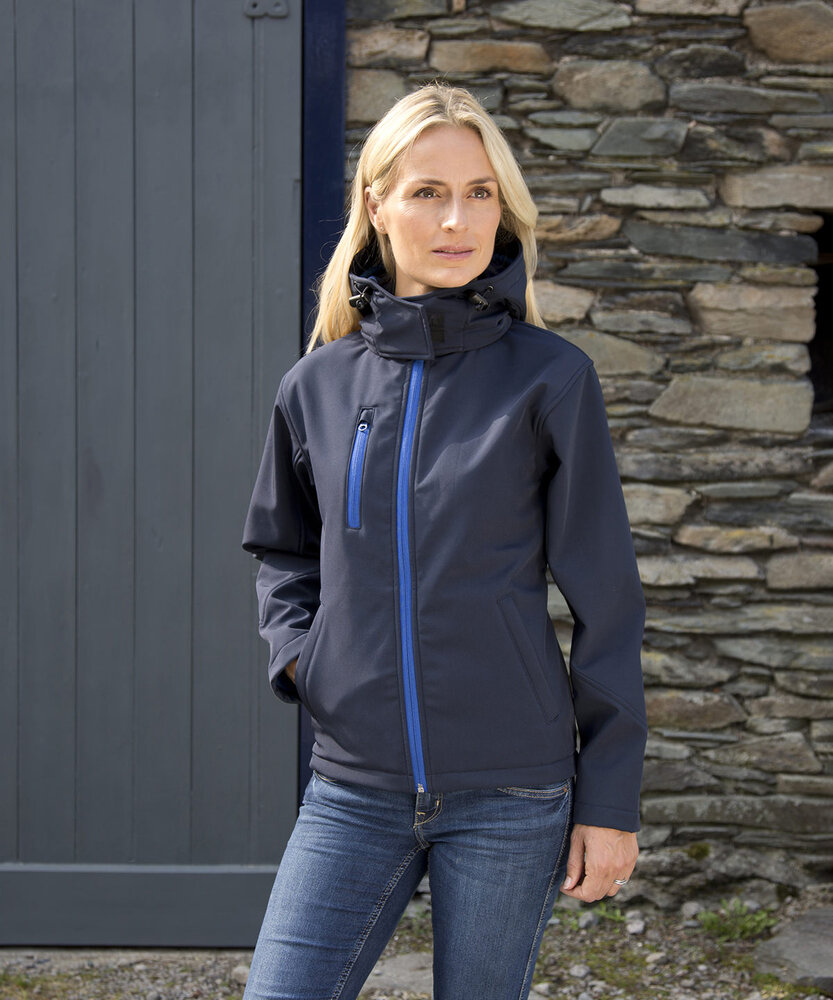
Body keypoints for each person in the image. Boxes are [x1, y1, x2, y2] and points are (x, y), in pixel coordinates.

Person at [241, 83, 647, 1000]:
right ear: (377, 204)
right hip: (353, 787)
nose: (457, 220)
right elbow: (284, 551)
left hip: (512, 792)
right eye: (427, 192)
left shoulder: (551, 380)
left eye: (479, 193)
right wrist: (308, 662)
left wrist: (609, 800)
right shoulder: (316, 386)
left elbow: (608, 600)